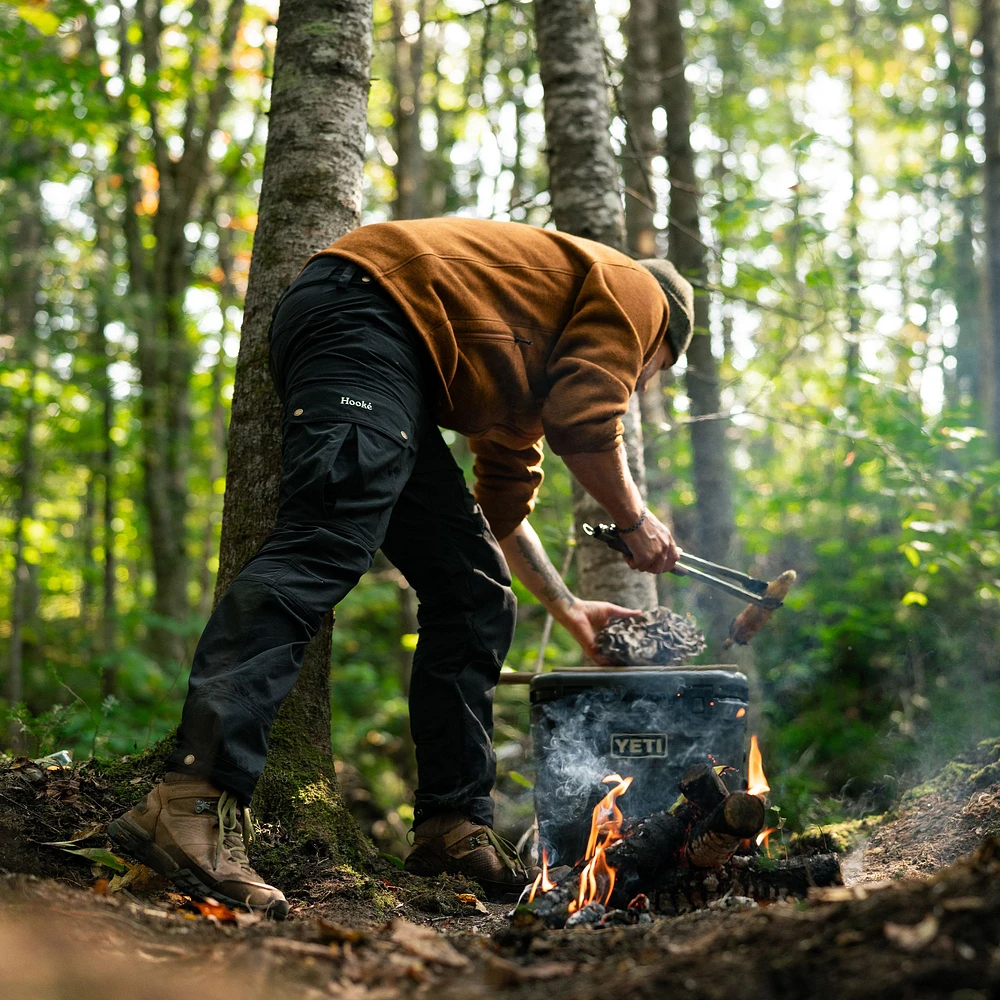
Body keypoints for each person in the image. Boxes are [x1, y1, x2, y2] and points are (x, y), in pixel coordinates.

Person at [109, 218, 694, 917]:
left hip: (390, 358)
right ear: (660, 344)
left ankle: (451, 826)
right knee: (323, 543)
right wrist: (635, 520)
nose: (637, 381)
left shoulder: (525, 368)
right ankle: (188, 802)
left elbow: (500, 511)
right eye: (648, 372)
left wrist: (568, 609)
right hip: (366, 317)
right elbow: (587, 418)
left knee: (474, 589)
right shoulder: (641, 291)